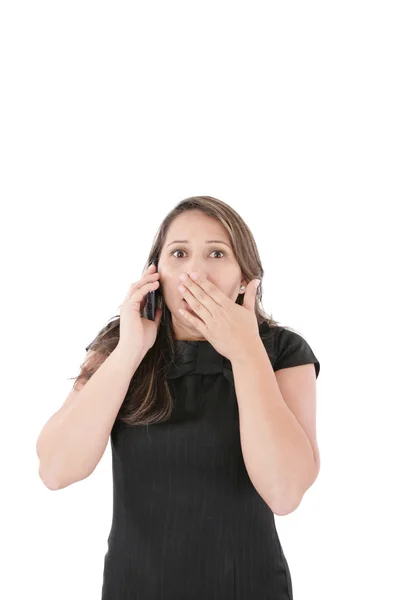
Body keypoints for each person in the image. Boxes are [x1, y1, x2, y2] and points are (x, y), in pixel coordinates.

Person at [36, 195, 321, 600]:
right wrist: (131, 350)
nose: (194, 272)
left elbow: (285, 492)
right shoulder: (122, 344)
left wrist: (246, 352)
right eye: (179, 253)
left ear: (244, 278)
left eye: (217, 253)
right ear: (156, 273)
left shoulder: (282, 351)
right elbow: (55, 470)